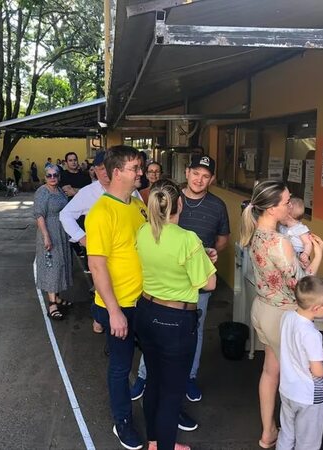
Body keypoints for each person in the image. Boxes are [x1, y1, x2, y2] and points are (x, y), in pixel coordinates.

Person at [131, 155, 228, 408]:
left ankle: (189, 378)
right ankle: (144, 376)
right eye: (196, 173)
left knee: (193, 335)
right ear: (187, 172)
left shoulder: (217, 206)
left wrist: (208, 257)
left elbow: (221, 239)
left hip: (196, 285)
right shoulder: (170, 198)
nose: (200, 179)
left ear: (212, 179)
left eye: (206, 176)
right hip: (165, 286)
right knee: (162, 339)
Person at [239, 180, 323, 449]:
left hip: (263, 308)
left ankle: (268, 432)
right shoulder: (280, 242)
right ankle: (294, 437)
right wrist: (317, 254)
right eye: (286, 201)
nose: (291, 205)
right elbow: (302, 287)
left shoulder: (254, 233)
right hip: (284, 315)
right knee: (295, 377)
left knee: (270, 371)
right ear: (273, 208)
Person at [135, 179, 216, 450]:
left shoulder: (143, 232)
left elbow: (164, 261)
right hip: (175, 321)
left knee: (155, 382)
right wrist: (203, 259)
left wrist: (199, 258)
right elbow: (209, 283)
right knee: (171, 393)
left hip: (146, 312)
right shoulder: (187, 239)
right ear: (179, 204)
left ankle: (155, 443)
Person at [85, 145, 147, 450]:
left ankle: (163, 410)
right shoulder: (101, 212)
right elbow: (96, 266)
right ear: (117, 172)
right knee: (121, 368)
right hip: (119, 306)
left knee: (159, 359)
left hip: (145, 301)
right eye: (135, 168)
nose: (141, 173)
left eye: (140, 167)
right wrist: (113, 312)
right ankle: (122, 420)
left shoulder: (137, 206)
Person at [59, 152, 143, 334]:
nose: (105, 173)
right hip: (101, 254)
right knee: (103, 289)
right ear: (95, 171)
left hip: (125, 258)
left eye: (108, 168)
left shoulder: (132, 192)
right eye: (101, 170)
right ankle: (104, 319)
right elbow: (65, 215)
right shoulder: (88, 192)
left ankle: (106, 320)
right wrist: (81, 238)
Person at [277, 276, 323, 450]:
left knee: (287, 432)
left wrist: (320, 353)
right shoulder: (311, 334)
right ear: (317, 308)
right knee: (308, 441)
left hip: (288, 390)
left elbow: (295, 347)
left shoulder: (287, 317)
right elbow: (318, 371)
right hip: (309, 395)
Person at [33, 164, 73, 320]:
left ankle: (56, 297)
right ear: (45, 177)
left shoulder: (60, 191)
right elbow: (39, 215)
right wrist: (46, 236)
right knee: (52, 266)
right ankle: (52, 305)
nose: (52, 178)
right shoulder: (42, 192)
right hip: (49, 230)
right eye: (49, 175)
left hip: (61, 232)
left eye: (55, 175)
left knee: (60, 264)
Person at [278, 197, 313, 268]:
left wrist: (306, 254)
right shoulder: (282, 227)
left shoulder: (301, 229)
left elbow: (308, 243)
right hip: (287, 254)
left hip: (299, 255)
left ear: (287, 216)